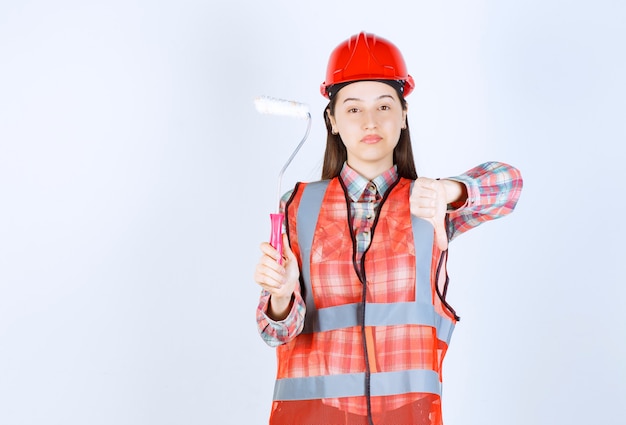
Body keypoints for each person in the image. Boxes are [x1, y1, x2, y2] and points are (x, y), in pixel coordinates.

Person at [253, 32, 523, 425]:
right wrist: (280, 297)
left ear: (403, 114)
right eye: (353, 109)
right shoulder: (297, 207)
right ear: (331, 120)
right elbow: (274, 333)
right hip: (315, 416)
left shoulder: (429, 204)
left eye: (384, 106)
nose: (371, 122)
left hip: (406, 415)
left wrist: (450, 190)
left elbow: (510, 185)